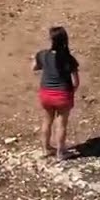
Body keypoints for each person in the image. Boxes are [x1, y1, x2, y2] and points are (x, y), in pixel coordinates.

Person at [34, 26, 80, 160]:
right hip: (63, 94)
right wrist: (70, 92)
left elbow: (34, 67)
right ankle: (61, 152)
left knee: (47, 121)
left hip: (46, 93)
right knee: (61, 124)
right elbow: (76, 82)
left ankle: (45, 149)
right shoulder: (69, 59)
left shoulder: (42, 54)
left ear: (51, 40)